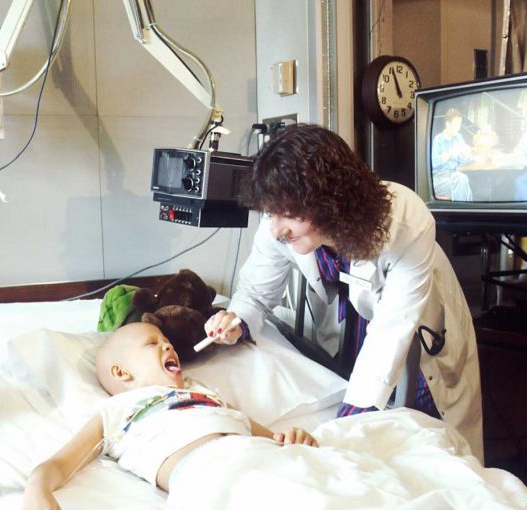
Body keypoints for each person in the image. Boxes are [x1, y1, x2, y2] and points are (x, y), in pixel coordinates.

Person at [205, 124, 484, 462]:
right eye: (270, 213)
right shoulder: (278, 226)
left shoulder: (405, 222)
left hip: (418, 320)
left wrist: (343, 427)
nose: (276, 229)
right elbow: (254, 294)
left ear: (329, 202)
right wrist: (236, 321)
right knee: (371, 418)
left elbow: (391, 332)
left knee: (431, 441)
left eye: (287, 215)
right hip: (360, 320)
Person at [21, 322, 318, 510]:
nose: (168, 345)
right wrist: (37, 490)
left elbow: (264, 433)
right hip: (206, 474)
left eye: (167, 341)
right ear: (121, 372)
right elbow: (60, 464)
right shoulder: (118, 410)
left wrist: (290, 439)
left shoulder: (201, 391)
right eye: (152, 343)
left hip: (257, 454)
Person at [430, 107, 474, 201]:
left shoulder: (458, 137)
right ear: (448, 124)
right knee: (461, 182)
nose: (459, 127)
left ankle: (461, 207)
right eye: (456, 123)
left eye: (460, 123)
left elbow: (462, 160)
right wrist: (450, 153)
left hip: (454, 174)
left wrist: (466, 155)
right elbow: (433, 163)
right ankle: (465, 207)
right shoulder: (438, 139)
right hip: (439, 177)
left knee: (462, 179)